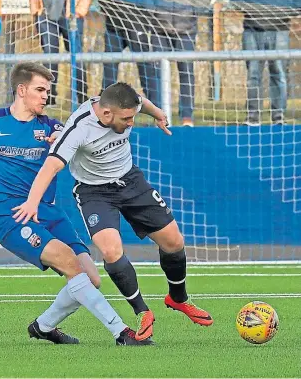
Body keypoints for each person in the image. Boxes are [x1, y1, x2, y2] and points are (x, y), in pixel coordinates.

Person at [0, 62, 152, 346]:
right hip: (12, 216)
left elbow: (91, 128)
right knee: (70, 264)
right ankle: (121, 332)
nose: (45, 96)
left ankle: (44, 326)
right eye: (40, 90)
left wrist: (62, 141)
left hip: (50, 212)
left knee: (91, 278)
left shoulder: (52, 127)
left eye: (47, 91)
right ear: (21, 90)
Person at [14, 82, 214, 342]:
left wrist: (159, 114)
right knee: (110, 251)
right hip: (94, 193)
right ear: (107, 114)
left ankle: (178, 299)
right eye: (127, 119)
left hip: (130, 181)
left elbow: (141, 101)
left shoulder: (124, 103)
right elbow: (51, 166)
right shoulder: (79, 128)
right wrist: (32, 202)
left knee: (174, 242)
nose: (131, 123)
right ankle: (142, 311)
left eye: (133, 116)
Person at [229, 0, 298, 126]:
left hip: (280, 29)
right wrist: (248, 9)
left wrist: (289, 11)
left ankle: (278, 116)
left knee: (279, 73)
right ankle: (253, 116)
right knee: (253, 74)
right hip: (253, 28)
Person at [148, 0, 213, 127]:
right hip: (159, 27)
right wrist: (154, 12)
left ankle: (187, 117)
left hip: (187, 28)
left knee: (186, 72)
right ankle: (160, 116)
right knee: (157, 73)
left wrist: (195, 10)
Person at [29, 0, 94, 106]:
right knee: (50, 56)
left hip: (71, 16)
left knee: (76, 56)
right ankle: (49, 97)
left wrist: (80, 10)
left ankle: (81, 96)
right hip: (46, 15)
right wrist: (36, 10)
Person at [99, 0, 158, 106]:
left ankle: (156, 105)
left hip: (137, 23)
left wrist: (147, 15)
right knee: (109, 66)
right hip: (113, 25)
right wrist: (111, 12)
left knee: (146, 66)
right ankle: (105, 104)